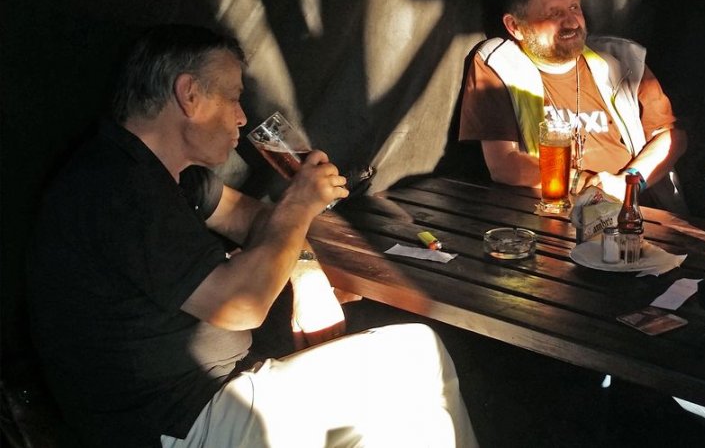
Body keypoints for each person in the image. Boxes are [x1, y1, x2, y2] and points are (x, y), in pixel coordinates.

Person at [27, 25, 477, 447]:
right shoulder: (116, 187)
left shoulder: (170, 178)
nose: (242, 118)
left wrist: (305, 274)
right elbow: (242, 305)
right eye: (233, 98)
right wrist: (300, 202)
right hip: (177, 423)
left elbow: (257, 221)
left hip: (214, 397)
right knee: (420, 354)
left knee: (418, 422)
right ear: (189, 95)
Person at [459, 0, 688, 210]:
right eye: (554, 13)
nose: (572, 22)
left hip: (634, 212)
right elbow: (504, 165)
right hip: (552, 214)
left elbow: (670, 136)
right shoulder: (498, 63)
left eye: (574, 7)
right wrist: (584, 183)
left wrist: (628, 183)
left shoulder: (622, 59)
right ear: (515, 27)